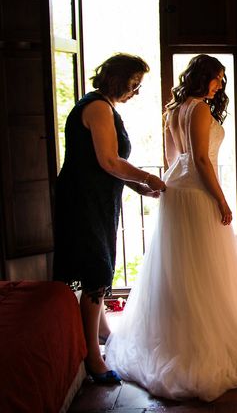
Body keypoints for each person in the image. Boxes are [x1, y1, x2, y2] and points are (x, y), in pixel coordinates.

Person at [105, 54, 237, 401]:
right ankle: (204, 347)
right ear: (202, 77)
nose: (220, 85)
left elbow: (175, 160)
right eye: (216, 78)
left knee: (182, 271)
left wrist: (174, 188)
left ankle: (179, 339)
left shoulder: (174, 110)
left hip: (177, 191)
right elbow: (201, 160)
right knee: (204, 270)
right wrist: (220, 200)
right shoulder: (200, 109)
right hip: (197, 193)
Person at [53, 53, 166, 385]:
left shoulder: (104, 107)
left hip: (97, 199)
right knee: (96, 270)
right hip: (83, 202)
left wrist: (137, 188)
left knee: (98, 266)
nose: (136, 91)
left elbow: (108, 165)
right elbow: (109, 161)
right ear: (119, 79)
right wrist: (148, 178)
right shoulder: (98, 108)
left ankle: (101, 333)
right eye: (134, 84)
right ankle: (93, 358)